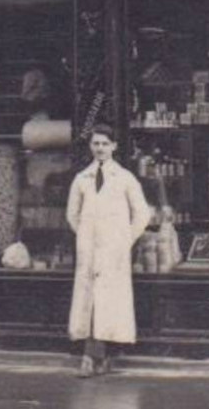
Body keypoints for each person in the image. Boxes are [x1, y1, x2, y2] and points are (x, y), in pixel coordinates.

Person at [65, 124, 152, 377]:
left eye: (105, 143)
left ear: (114, 146)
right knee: (89, 303)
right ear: (90, 146)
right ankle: (95, 358)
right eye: (96, 144)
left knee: (108, 304)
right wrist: (84, 235)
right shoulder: (82, 179)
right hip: (89, 251)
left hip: (114, 251)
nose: (100, 148)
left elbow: (142, 213)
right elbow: (72, 214)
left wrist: (124, 239)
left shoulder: (125, 178)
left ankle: (97, 357)